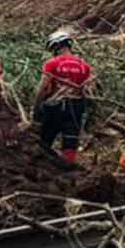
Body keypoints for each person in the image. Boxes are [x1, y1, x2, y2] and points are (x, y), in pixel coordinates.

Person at [34, 28, 94, 164]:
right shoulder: (84, 66)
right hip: (77, 108)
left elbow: (42, 88)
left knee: (44, 142)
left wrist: (36, 108)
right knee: (70, 144)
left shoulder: (52, 64)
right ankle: (69, 174)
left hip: (56, 108)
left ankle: (46, 172)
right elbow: (89, 92)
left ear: (56, 46)